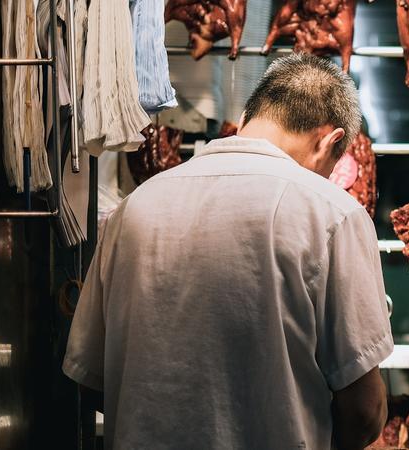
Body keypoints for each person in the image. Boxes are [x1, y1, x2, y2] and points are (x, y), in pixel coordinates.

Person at [63, 53, 392, 450]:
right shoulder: (332, 213)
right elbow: (364, 412)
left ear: (252, 115)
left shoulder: (136, 207)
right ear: (329, 141)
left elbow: (89, 381)